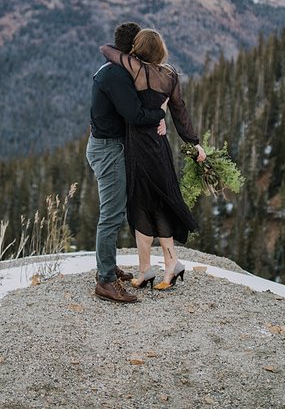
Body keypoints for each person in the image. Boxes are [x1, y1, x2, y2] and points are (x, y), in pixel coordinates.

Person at [100, 29, 205, 291]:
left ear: (138, 50)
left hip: (138, 148)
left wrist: (130, 51)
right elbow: (180, 112)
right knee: (159, 202)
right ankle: (169, 265)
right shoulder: (170, 75)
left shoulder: (135, 70)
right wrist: (194, 143)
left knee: (140, 205)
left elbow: (106, 50)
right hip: (159, 148)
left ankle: (147, 269)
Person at [87, 22, 167, 303]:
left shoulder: (116, 71)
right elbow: (134, 115)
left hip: (108, 146)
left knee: (115, 212)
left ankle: (107, 267)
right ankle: (105, 281)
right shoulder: (116, 76)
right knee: (111, 215)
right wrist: (160, 113)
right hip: (108, 150)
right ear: (134, 48)